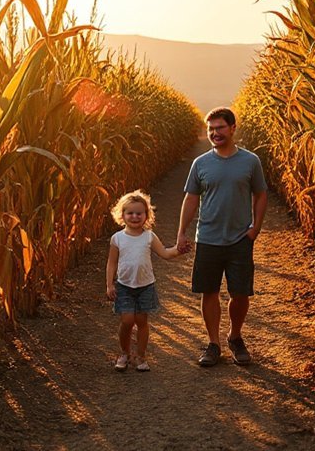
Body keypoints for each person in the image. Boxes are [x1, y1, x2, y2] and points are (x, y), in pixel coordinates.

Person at [176, 107, 268, 367]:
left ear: (232, 128)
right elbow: (191, 198)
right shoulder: (201, 163)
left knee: (240, 294)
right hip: (208, 237)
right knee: (209, 291)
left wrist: (255, 227)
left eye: (220, 128)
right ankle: (214, 343)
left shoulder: (250, 161)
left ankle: (235, 337)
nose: (215, 133)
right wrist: (182, 231)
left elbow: (260, 194)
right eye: (211, 129)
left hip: (240, 238)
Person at [106, 189, 183, 372]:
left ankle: (140, 356)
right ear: (122, 215)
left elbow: (164, 253)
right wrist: (109, 284)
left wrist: (179, 250)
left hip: (145, 286)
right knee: (127, 321)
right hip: (124, 286)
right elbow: (111, 263)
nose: (134, 217)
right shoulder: (117, 239)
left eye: (139, 213)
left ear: (146, 215)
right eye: (130, 213)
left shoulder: (149, 236)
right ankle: (124, 353)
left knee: (141, 321)